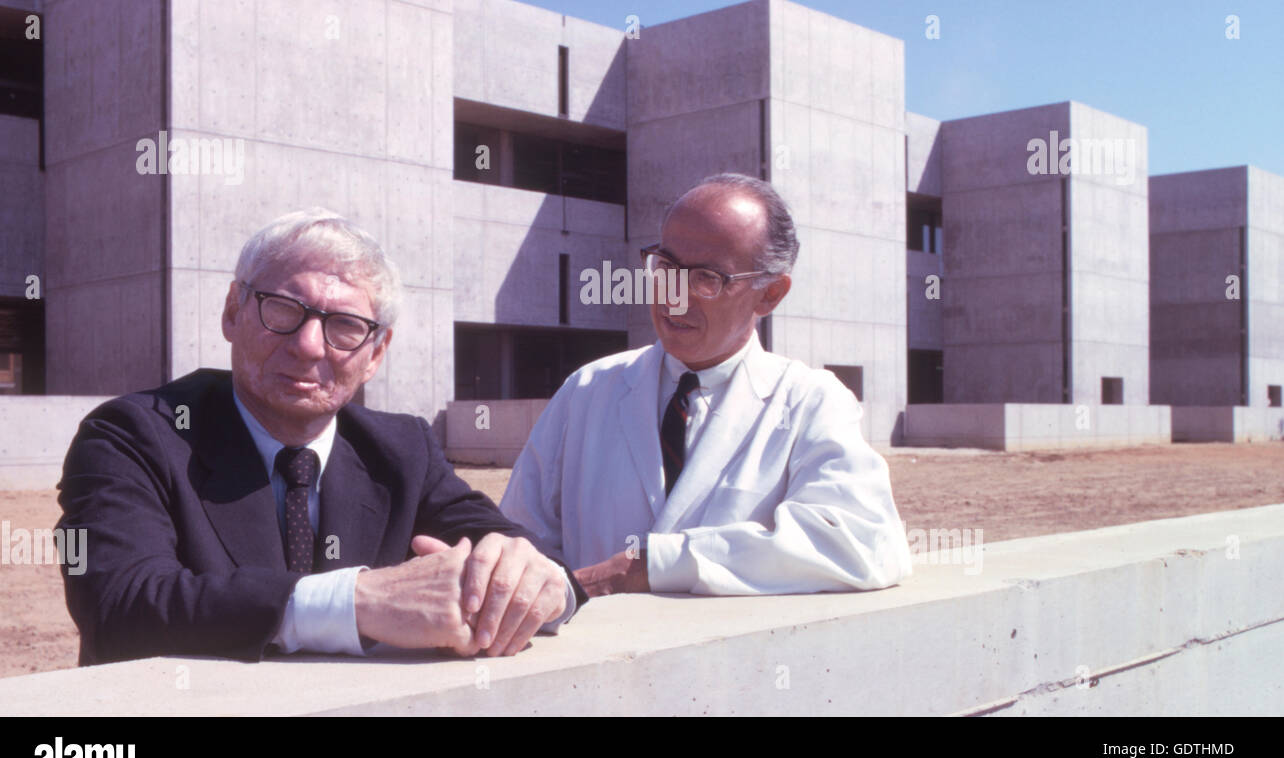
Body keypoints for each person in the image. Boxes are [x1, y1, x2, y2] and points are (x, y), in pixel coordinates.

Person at [57, 208, 582, 665]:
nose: (309, 346)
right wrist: (359, 602)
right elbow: (119, 605)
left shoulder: (403, 449)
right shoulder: (133, 434)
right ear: (233, 311)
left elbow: (518, 550)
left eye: (345, 326)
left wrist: (534, 580)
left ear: (376, 352)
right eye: (283, 310)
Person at [500, 174, 912, 596]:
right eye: (665, 266)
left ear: (769, 294)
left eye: (707, 278)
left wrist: (648, 567)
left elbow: (862, 544)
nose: (674, 295)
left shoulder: (811, 402)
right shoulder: (587, 389)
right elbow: (515, 538)